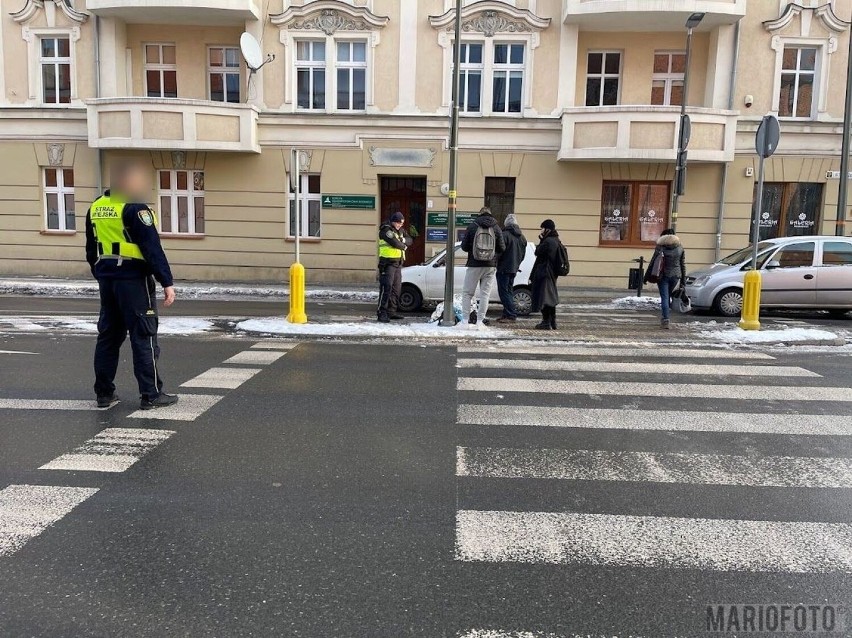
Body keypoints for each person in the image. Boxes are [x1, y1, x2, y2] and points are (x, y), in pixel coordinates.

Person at [85, 159, 179, 410]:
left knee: (108, 337)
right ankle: (151, 394)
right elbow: (152, 248)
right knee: (144, 336)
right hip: (134, 282)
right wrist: (166, 282)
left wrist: (102, 274)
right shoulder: (135, 208)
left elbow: (91, 249)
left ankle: (104, 394)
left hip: (108, 281)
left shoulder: (96, 207)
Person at [459, 207, 506, 328]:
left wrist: (474, 250)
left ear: (479, 214)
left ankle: (465, 320)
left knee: (467, 293)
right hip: (490, 265)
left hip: (474, 264)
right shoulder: (496, 227)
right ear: (490, 214)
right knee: (485, 294)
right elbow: (502, 248)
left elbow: (464, 247)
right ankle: (480, 321)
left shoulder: (473, 225)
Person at [645, 228, 687, 329]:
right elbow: (683, 265)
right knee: (668, 296)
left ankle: (665, 320)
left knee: (665, 297)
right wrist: (683, 280)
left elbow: (653, 262)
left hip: (662, 275)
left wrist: (646, 276)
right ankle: (666, 315)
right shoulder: (680, 248)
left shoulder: (660, 248)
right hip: (676, 275)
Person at [496, 214, 528, 323]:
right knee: (509, 291)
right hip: (513, 268)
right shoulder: (522, 237)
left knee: (503, 292)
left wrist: (496, 261)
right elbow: (523, 255)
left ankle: (510, 314)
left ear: (506, 223)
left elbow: (499, 252)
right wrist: (516, 264)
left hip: (503, 268)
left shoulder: (504, 235)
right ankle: (506, 314)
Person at [530, 219, 561, 330]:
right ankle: (552, 321)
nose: (541, 230)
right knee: (550, 297)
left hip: (545, 272)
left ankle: (546, 321)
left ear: (547, 229)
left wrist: (542, 241)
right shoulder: (556, 240)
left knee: (545, 297)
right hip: (551, 273)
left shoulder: (548, 241)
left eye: (542, 228)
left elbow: (537, 251)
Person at [377, 211, 407, 323]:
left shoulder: (401, 231)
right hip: (387, 264)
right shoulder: (386, 230)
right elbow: (394, 242)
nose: (400, 225)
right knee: (386, 288)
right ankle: (382, 312)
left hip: (398, 264)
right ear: (393, 221)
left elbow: (411, 239)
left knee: (396, 289)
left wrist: (403, 240)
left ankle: (391, 311)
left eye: (402, 223)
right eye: (399, 223)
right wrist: (404, 246)